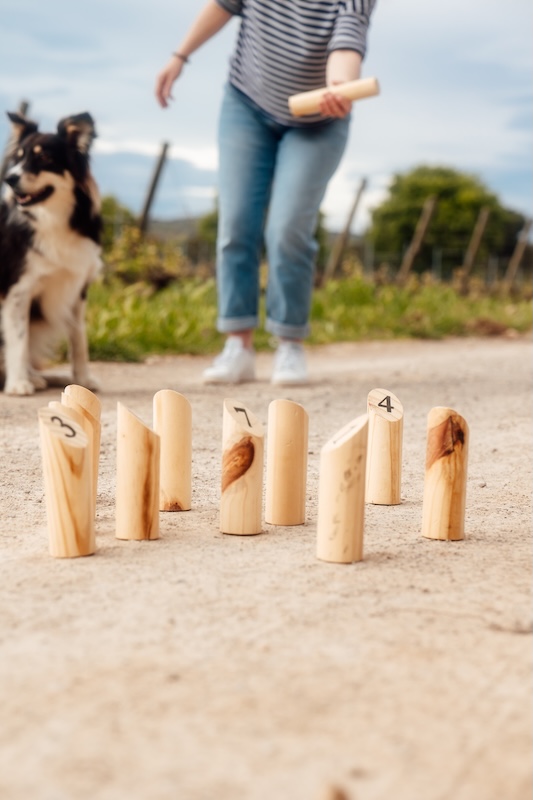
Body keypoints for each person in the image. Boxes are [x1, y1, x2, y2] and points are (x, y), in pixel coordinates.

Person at [155, 0, 376, 385]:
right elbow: (225, 4)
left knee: (288, 228)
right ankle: (237, 346)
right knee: (237, 223)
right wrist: (180, 56)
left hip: (319, 120)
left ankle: (289, 344)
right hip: (247, 102)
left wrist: (340, 87)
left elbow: (348, 39)